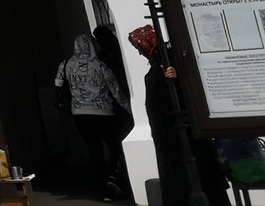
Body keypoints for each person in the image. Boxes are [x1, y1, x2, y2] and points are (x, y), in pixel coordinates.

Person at [129, 24, 231, 206]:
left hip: (184, 135)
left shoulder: (170, 63)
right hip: (169, 136)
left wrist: (175, 80)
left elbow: (187, 91)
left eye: (140, 47)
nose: (139, 52)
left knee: (198, 178)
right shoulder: (158, 65)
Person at [59, 32, 131, 199]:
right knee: (115, 146)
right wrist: (127, 107)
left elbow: (58, 84)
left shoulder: (67, 64)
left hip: (80, 114)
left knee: (94, 150)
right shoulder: (100, 66)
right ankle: (113, 178)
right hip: (103, 113)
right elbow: (115, 90)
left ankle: (101, 185)